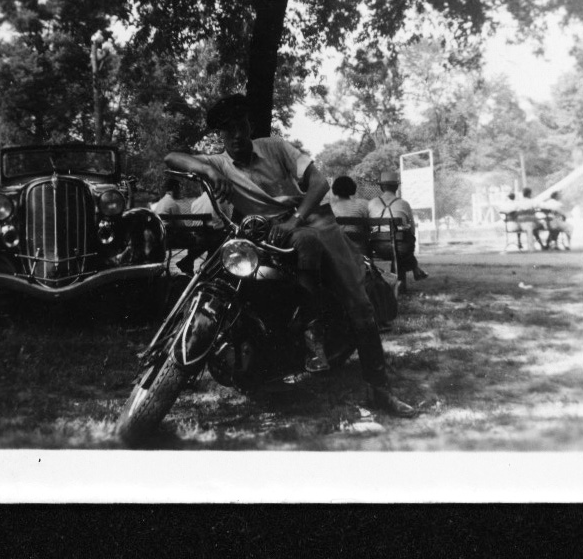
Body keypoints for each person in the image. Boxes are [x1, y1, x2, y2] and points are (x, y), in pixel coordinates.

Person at [164, 94, 418, 417]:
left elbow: (319, 183)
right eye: (228, 130)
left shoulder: (275, 147)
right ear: (220, 135)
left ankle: (375, 387)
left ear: (249, 125)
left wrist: (295, 219)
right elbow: (171, 157)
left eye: (241, 126)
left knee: (359, 303)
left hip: (313, 221)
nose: (237, 135)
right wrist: (207, 171)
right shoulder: (218, 164)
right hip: (267, 234)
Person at [366, 171, 428, 284]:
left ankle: (407, 273)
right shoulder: (404, 204)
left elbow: (368, 227)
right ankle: (410, 272)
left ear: (381, 187)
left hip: (378, 247)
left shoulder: (371, 203)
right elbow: (412, 230)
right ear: (396, 187)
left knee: (402, 247)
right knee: (406, 244)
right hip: (401, 248)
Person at [329, 175, 370, 254]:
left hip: (338, 250)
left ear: (335, 189)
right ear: (353, 188)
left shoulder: (332, 208)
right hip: (360, 249)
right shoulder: (364, 204)